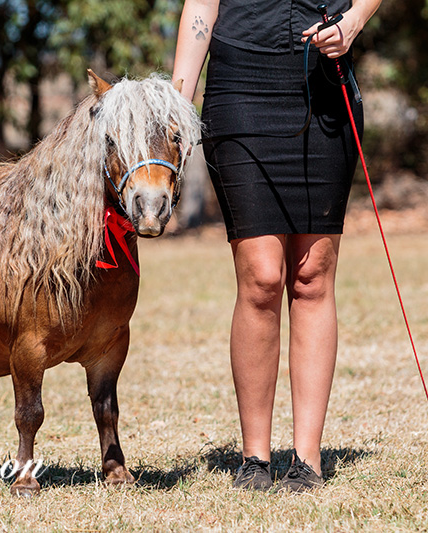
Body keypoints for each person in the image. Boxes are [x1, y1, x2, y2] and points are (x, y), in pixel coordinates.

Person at [172, 0, 381, 492]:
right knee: (262, 276)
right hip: (239, 89)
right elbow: (201, 5)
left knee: (312, 277)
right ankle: (255, 458)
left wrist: (351, 23)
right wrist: (177, 105)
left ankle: (307, 459)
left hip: (325, 88)